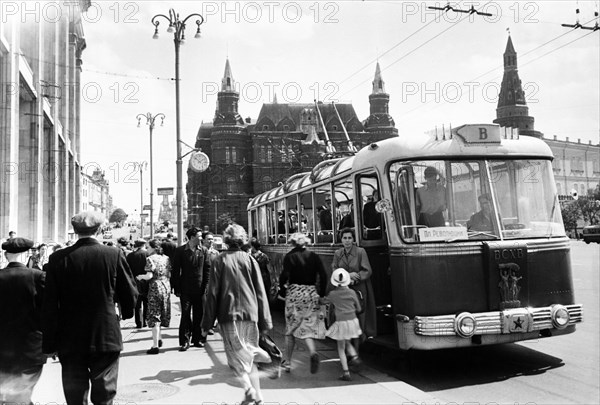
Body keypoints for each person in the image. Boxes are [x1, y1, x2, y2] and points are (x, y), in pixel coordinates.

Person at [42, 211, 138, 405]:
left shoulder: (58, 259)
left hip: (69, 338)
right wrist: (126, 313)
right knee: (105, 394)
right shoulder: (113, 254)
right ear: (100, 228)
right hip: (105, 334)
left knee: (75, 396)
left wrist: (50, 344)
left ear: (75, 231)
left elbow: (49, 304)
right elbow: (130, 291)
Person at [201, 224, 272, 405]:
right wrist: (265, 321)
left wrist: (206, 325)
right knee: (250, 360)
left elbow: (212, 295)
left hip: (229, 314)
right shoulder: (250, 260)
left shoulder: (219, 260)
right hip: (251, 314)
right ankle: (259, 395)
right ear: (242, 239)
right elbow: (260, 292)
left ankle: (248, 389)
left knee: (235, 358)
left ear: (226, 239)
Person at [0, 237, 46, 404]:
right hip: (31, 347)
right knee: (22, 393)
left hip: (3, 348)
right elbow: (49, 312)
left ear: (6, 255)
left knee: (11, 392)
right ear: (27, 254)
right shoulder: (38, 277)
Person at [279, 232, 327, 374]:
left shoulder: (289, 256)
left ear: (292, 242)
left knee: (290, 330)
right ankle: (313, 352)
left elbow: (284, 275)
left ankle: (287, 362)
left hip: (294, 294)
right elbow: (323, 275)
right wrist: (321, 294)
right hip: (311, 293)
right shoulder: (314, 256)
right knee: (309, 326)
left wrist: (282, 290)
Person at [331, 228, 376, 347]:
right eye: (345, 238)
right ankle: (350, 350)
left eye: (349, 238)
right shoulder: (338, 253)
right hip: (343, 290)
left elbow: (367, 270)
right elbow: (335, 270)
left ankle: (356, 349)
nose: (347, 241)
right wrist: (348, 276)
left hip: (359, 289)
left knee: (359, 317)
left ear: (353, 239)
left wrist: (355, 279)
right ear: (341, 240)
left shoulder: (361, 252)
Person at [171, 227, 211, 351]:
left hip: (199, 289)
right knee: (186, 314)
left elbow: (207, 270)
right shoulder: (180, 251)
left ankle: (197, 339)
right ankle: (185, 341)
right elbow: (175, 271)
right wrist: (176, 288)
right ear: (192, 237)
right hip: (185, 289)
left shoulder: (204, 251)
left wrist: (205, 286)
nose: (201, 238)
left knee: (199, 314)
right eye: (199, 236)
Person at [324, 268, 363, 382]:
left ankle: (346, 373)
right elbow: (359, 308)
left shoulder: (333, 294)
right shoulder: (352, 292)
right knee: (347, 341)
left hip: (341, 322)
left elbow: (323, 301)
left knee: (341, 348)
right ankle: (355, 357)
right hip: (353, 321)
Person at [137, 239, 172, 354]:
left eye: (148, 247)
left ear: (152, 248)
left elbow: (149, 275)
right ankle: (160, 338)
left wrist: (140, 277)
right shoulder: (166, 258)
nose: (147, 249)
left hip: (155, 287)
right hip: (166, 285)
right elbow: (169, 273)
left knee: (154, 314)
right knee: (162, 312)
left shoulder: (150, 259)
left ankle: (155, 345)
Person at [127, 238, 149, 329]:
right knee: (147, 302)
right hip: (147, 280)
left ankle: (139, 322)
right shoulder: (148, 254)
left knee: (137, 303)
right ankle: (146, 321)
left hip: (135, 281)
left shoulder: (131, 255)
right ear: (144, 244)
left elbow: (128, 270)